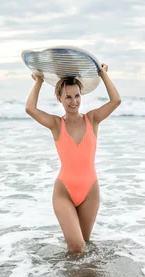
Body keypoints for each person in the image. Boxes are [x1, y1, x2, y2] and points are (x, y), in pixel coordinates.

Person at [25, 64, 121, 253]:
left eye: (77, 95)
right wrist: (39, 81)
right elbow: (30, 108)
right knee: (77, 246)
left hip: (90, 192)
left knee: (83, 246)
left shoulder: (92, 119)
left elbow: (116, 100)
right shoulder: (56, 124)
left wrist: (102, 74)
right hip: (65, 192)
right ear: (59, 99)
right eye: (67, 97)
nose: (73, 101)